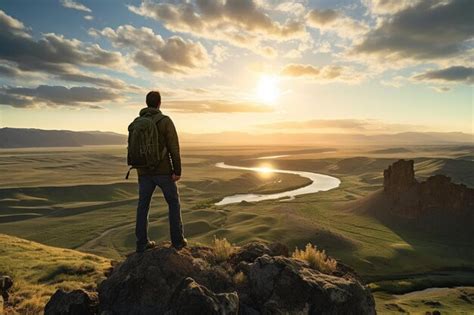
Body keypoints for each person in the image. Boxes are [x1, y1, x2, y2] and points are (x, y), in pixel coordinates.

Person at [134, 91, 187, 253]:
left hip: (143, 172)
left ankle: (141, 243)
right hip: (163, 171)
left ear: (146, 103)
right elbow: (174, 147)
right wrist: (177, 170)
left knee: (143, 206)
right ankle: (177, 241)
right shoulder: (165, 121)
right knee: (173, 203)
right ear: (159, 103)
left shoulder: (137, 122)